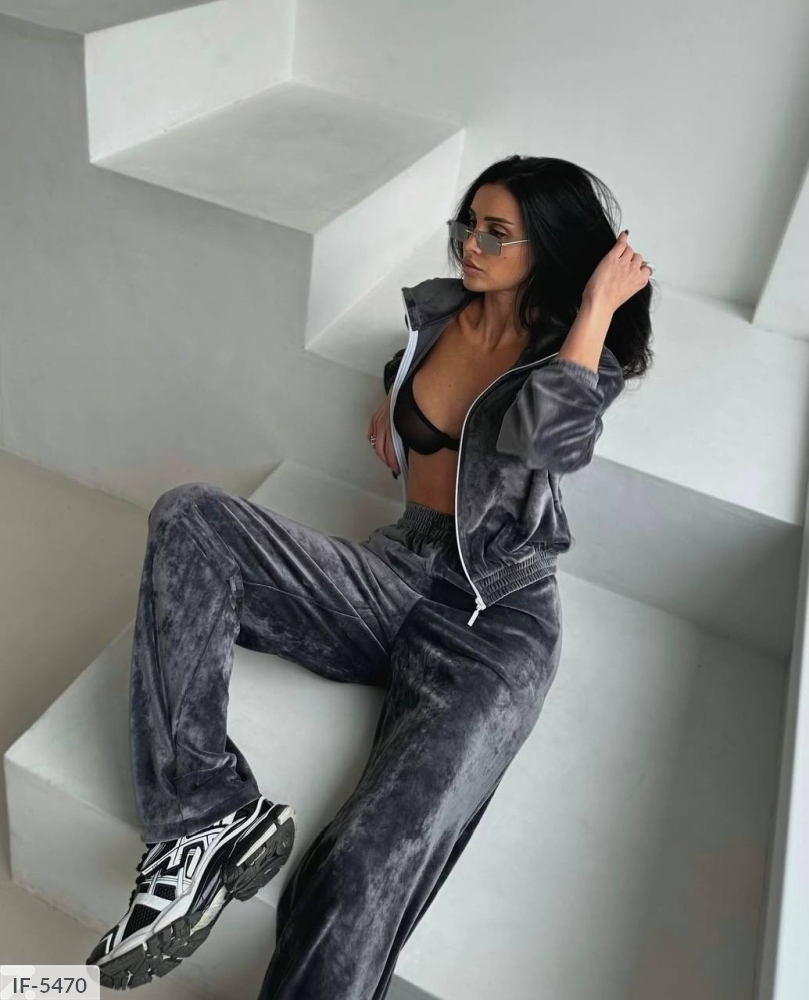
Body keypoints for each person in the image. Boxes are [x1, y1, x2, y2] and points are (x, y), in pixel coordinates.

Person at [85, 154, 654, 998]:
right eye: (468, 224)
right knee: (191, 516)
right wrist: (396, 402)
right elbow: (416, 381)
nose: (471, 244)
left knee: (361, 866)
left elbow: (547, 443)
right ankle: (204, 816)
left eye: (497, 234)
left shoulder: (574, 359)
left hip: (492, 624)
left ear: (548, 247)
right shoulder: (440, 315)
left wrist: (597, 306)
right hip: (393, 570)